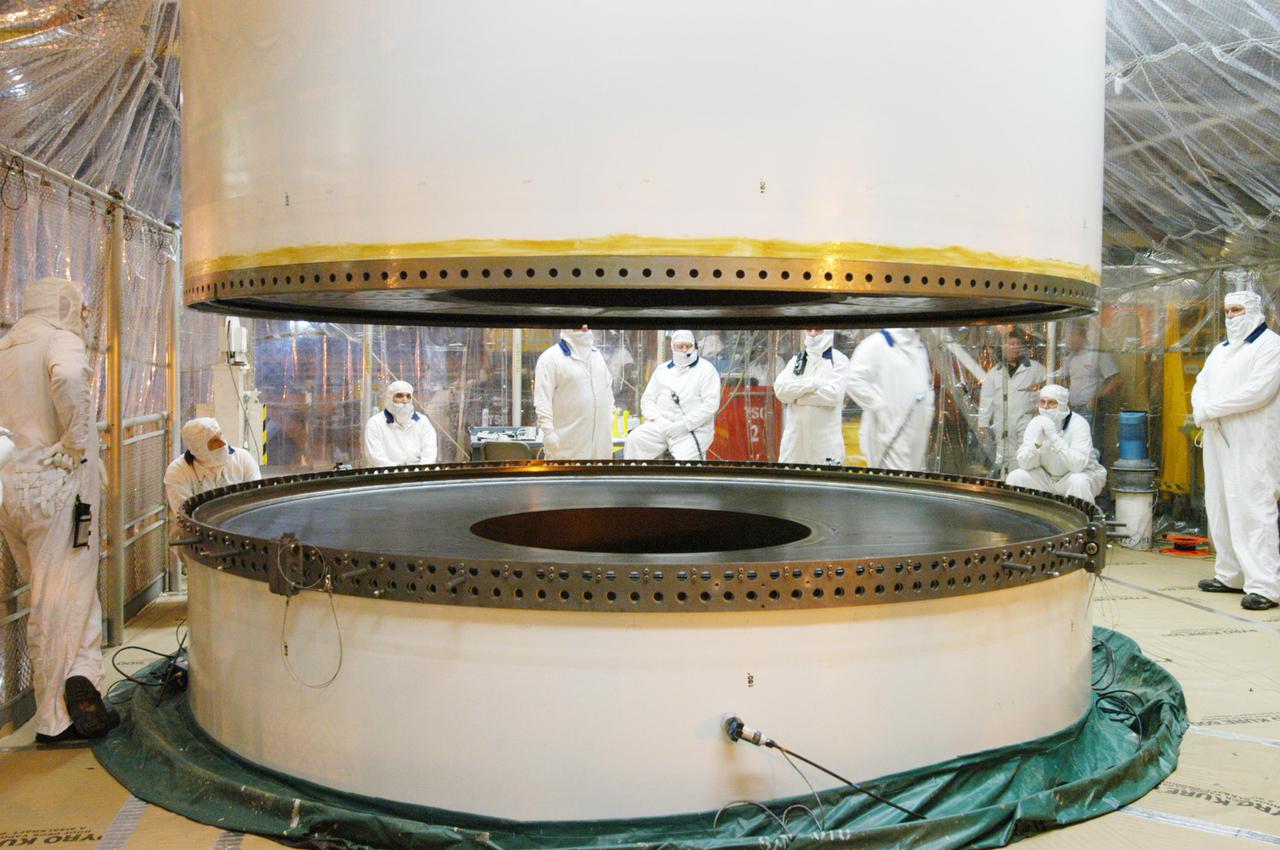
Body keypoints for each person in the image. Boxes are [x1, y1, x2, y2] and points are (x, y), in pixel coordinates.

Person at [0, 277, 115, 744]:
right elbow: (69, 379)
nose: (83, 316)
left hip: (12, 488)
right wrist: (74, 441)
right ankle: (57, 718)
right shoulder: (58, 340)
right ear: (63, 304)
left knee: (58, 594)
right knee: (60, 600)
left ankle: (83, 678)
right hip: (58, 486)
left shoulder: (6, 347)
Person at [1191, 291, 1280, 611]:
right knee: (1219, 505)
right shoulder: (1220, 351)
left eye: (1237, 310)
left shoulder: (1271, 346)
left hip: (1252, 442)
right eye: (1227, 311)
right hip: (1216, 436)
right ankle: (1230, 574)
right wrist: (1201, 407)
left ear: (1254, 311)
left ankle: (1265, 585)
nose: (1231, 316)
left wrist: (1211, 409)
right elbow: (1200, 383)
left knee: (1253, 507)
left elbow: (1259, 391)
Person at [845, 328, 934, 470]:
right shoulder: (877, 344)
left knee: (911, 481)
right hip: (888, 436)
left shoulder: (919, 348)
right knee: (895, 483)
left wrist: (927, 411)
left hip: (915, 435)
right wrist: (879, 407)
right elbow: (853, 379)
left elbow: (924, 386)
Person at [624, 330, 721, 461]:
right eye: (680, 347)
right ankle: (637, 480)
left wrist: (683, 425)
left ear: (694, 346)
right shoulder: (662, 371)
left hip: (691, 430)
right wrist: (660, 421)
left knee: (685, 462)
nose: (684, 350)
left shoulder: (706, 370)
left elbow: (710, 405)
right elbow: (647, 401)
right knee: (635, 440)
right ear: (672, 348)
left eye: (688, 346)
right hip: (661, 426)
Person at [1005, 385, 1106, 504]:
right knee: (1016, 477)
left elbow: (1078, 466)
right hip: (1046, 478)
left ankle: (1082, 521)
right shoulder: (1035, 424)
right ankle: (1021, 520)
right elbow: (1024, 464)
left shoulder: (1079, 424)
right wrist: (1037, 444)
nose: (1046, 407)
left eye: (1051, 403)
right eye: (1042, 402)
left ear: (1063, 404)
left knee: (1078, 481)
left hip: (1072, 477)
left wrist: (1055, 438)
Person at [533, 326, 614, 459]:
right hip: (566, 447)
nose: (584, 327)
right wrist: (548, 433)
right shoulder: (550, 359)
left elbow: (608, 393)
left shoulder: (597, 356)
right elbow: (542, 401)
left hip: (600, 448)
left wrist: (608, 420)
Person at [774, 330, 849, 466]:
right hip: (794, 449)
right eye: (809, 329)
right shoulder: (796, 360)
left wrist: (796, 398)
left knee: (826, 485)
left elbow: (833, 395)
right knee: (790, 485)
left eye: (818, 328)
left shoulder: (838, 360)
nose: (813, 333)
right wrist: (814, 384)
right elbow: (780, 390)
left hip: (826, 449)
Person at [977, 331, 1046, 474]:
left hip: (1026, 419)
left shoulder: (1035, 368)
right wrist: (983, 424)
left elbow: (1047, 390)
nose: (1014, 347)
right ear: (1004, 347)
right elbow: (986, 399)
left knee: (1026, 454)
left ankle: (1021, 485)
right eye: (1011, 344)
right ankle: (1006, 484)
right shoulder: (994, 373)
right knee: (1005, 457)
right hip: (1002, 422)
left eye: (1018, 344)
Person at [163, 418, 262, 515]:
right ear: (198, 448)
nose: (222, 443)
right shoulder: (178, 472)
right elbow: (185, 515)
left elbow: (257, 500)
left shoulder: (243, 459)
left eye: (220, 435)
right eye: (214, 441)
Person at [363, 380, 438, 467]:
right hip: (386, 477)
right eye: (399, 396)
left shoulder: (422, 422)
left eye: (408, 396)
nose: (405, 400)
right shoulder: (375, 423)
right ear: (390, 398)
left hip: (417, 476)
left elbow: (429, 454)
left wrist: (418, 472)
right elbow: (375, 457)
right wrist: (399, 472)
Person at [1064, 324, 1120, 420]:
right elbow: (1067, 379)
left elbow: (1116, 380)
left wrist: (1096, 398)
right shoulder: (1071, 357)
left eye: (1071, 337)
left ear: (1080, 336)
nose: (1068, 341)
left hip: (1090, 410)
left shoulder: (1097, 353)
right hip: (1072, 409)